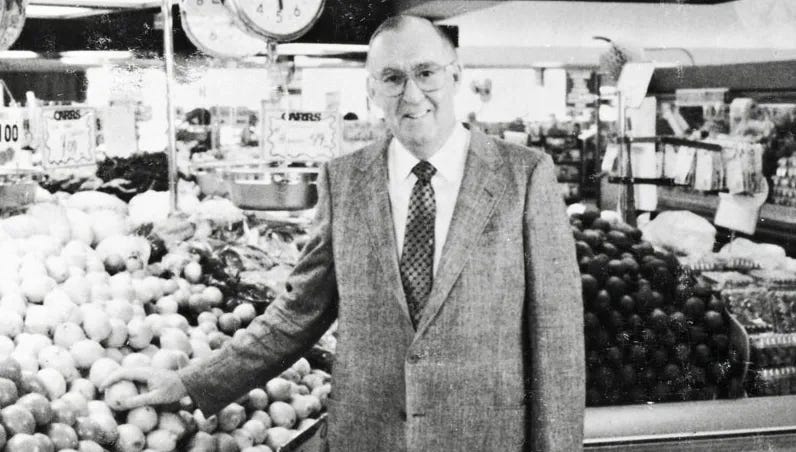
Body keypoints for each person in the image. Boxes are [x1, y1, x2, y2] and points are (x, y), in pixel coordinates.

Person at [102, 15, 584, 451]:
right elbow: (298, 313)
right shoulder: (345, 179)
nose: (412, 94)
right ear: (371, 89)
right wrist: (190, 382)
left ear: (455, 74)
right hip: (367, 436)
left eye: (426, 73)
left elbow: (557, 342)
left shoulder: (523, 176)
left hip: (482, 438)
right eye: (392, 79)